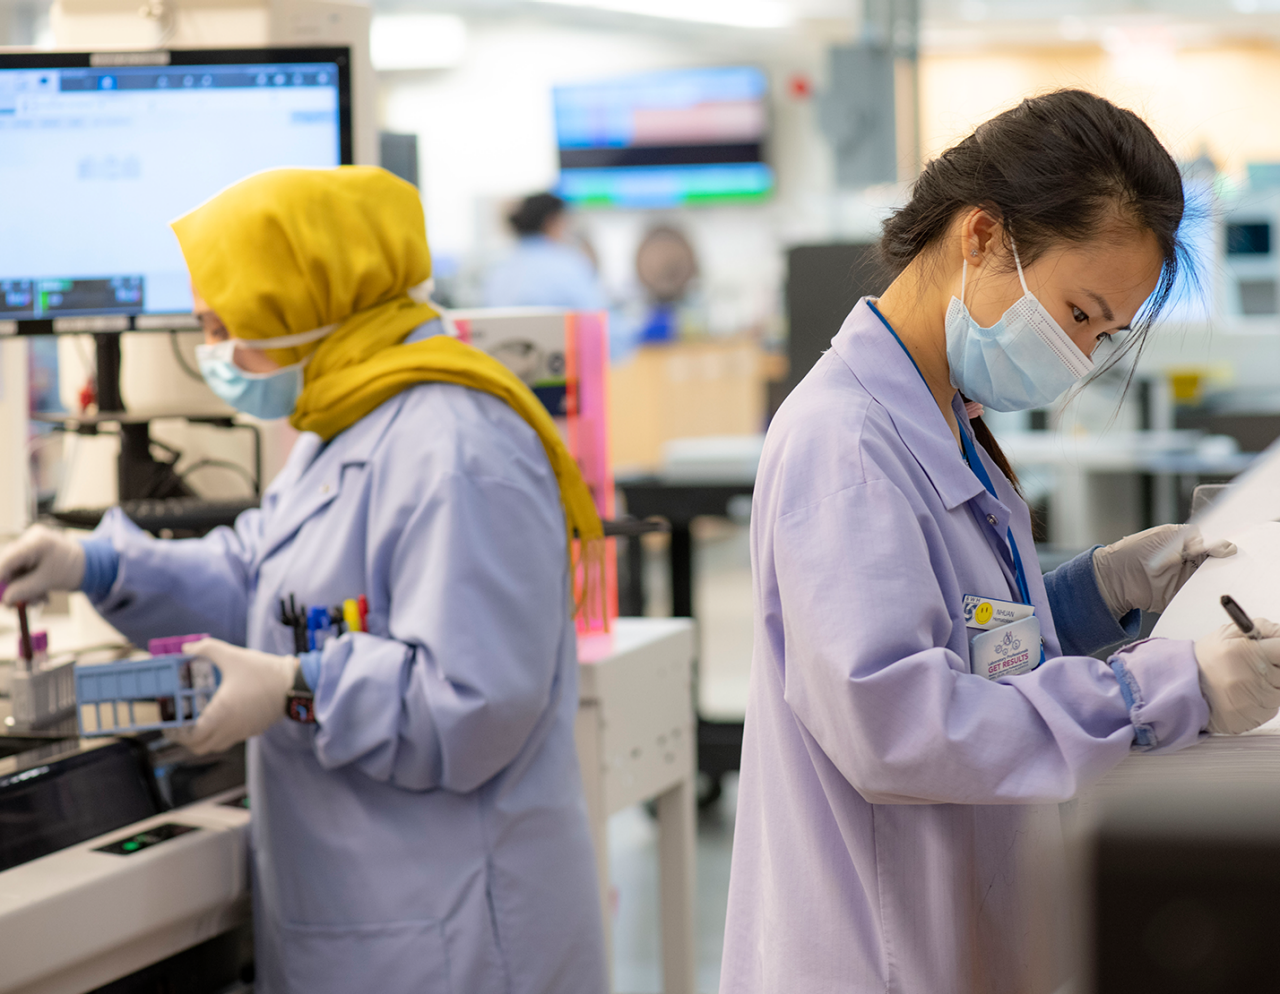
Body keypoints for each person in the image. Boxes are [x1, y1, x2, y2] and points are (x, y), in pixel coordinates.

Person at [720, 89, 1280, 994]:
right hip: (881, 950)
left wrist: (1099, 591)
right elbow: (898, 724)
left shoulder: (944, 416)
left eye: (1106, 333)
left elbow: (971, 647)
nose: (1083, 352)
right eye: (1079, 312)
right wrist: (1171, 689)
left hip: (961, 922)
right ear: (982, 236)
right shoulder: (846, 442)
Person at [0, 167, 608, 994]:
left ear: (309, 303)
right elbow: (262, 575)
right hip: (371, 918)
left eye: (223, 327)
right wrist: (98, 563)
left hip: (460, 934)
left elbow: (474, 704)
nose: (215, 352)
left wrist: (298, 688)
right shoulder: (344, 417)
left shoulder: (458, 449)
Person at [482, 192, 607, 310]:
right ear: (552, 222)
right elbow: (600, 319)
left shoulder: (499, 269)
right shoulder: (567, 264)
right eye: (566, 222)